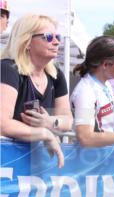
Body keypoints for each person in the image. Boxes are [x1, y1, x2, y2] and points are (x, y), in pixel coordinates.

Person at [0, 14, 73, 166]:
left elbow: (67, 119)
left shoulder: (56, 75)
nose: (56, 41)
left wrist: (50, 122)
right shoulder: (8, 69)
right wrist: (44, 134)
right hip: (7, 161)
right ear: (26, 42)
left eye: (57, 36)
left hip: (37, 163)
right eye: (48, 36)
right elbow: (2, 123)